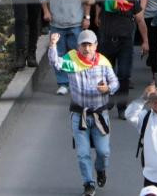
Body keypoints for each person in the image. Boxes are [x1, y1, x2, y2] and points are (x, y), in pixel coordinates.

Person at [49, 29, 119, 196]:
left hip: (100, 116)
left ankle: (100, 170)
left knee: (103, 152)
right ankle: (88, 183)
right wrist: (52, 45)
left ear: (95, 45)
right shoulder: (72, 60)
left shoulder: (103, 62)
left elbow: (115, 82)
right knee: (83, 154)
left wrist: (108, 88)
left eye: (90, 45)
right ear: (78, 46)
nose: (87, 48)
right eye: (83, 45)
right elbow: (55, 63)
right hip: (79, 116)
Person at [41, 0, 93, 95]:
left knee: (79, 53)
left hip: (76, 22)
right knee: (59, 55)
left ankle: (79, 81)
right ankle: (63, 83)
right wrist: (46, 11)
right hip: (56, 23)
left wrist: (87, 17)